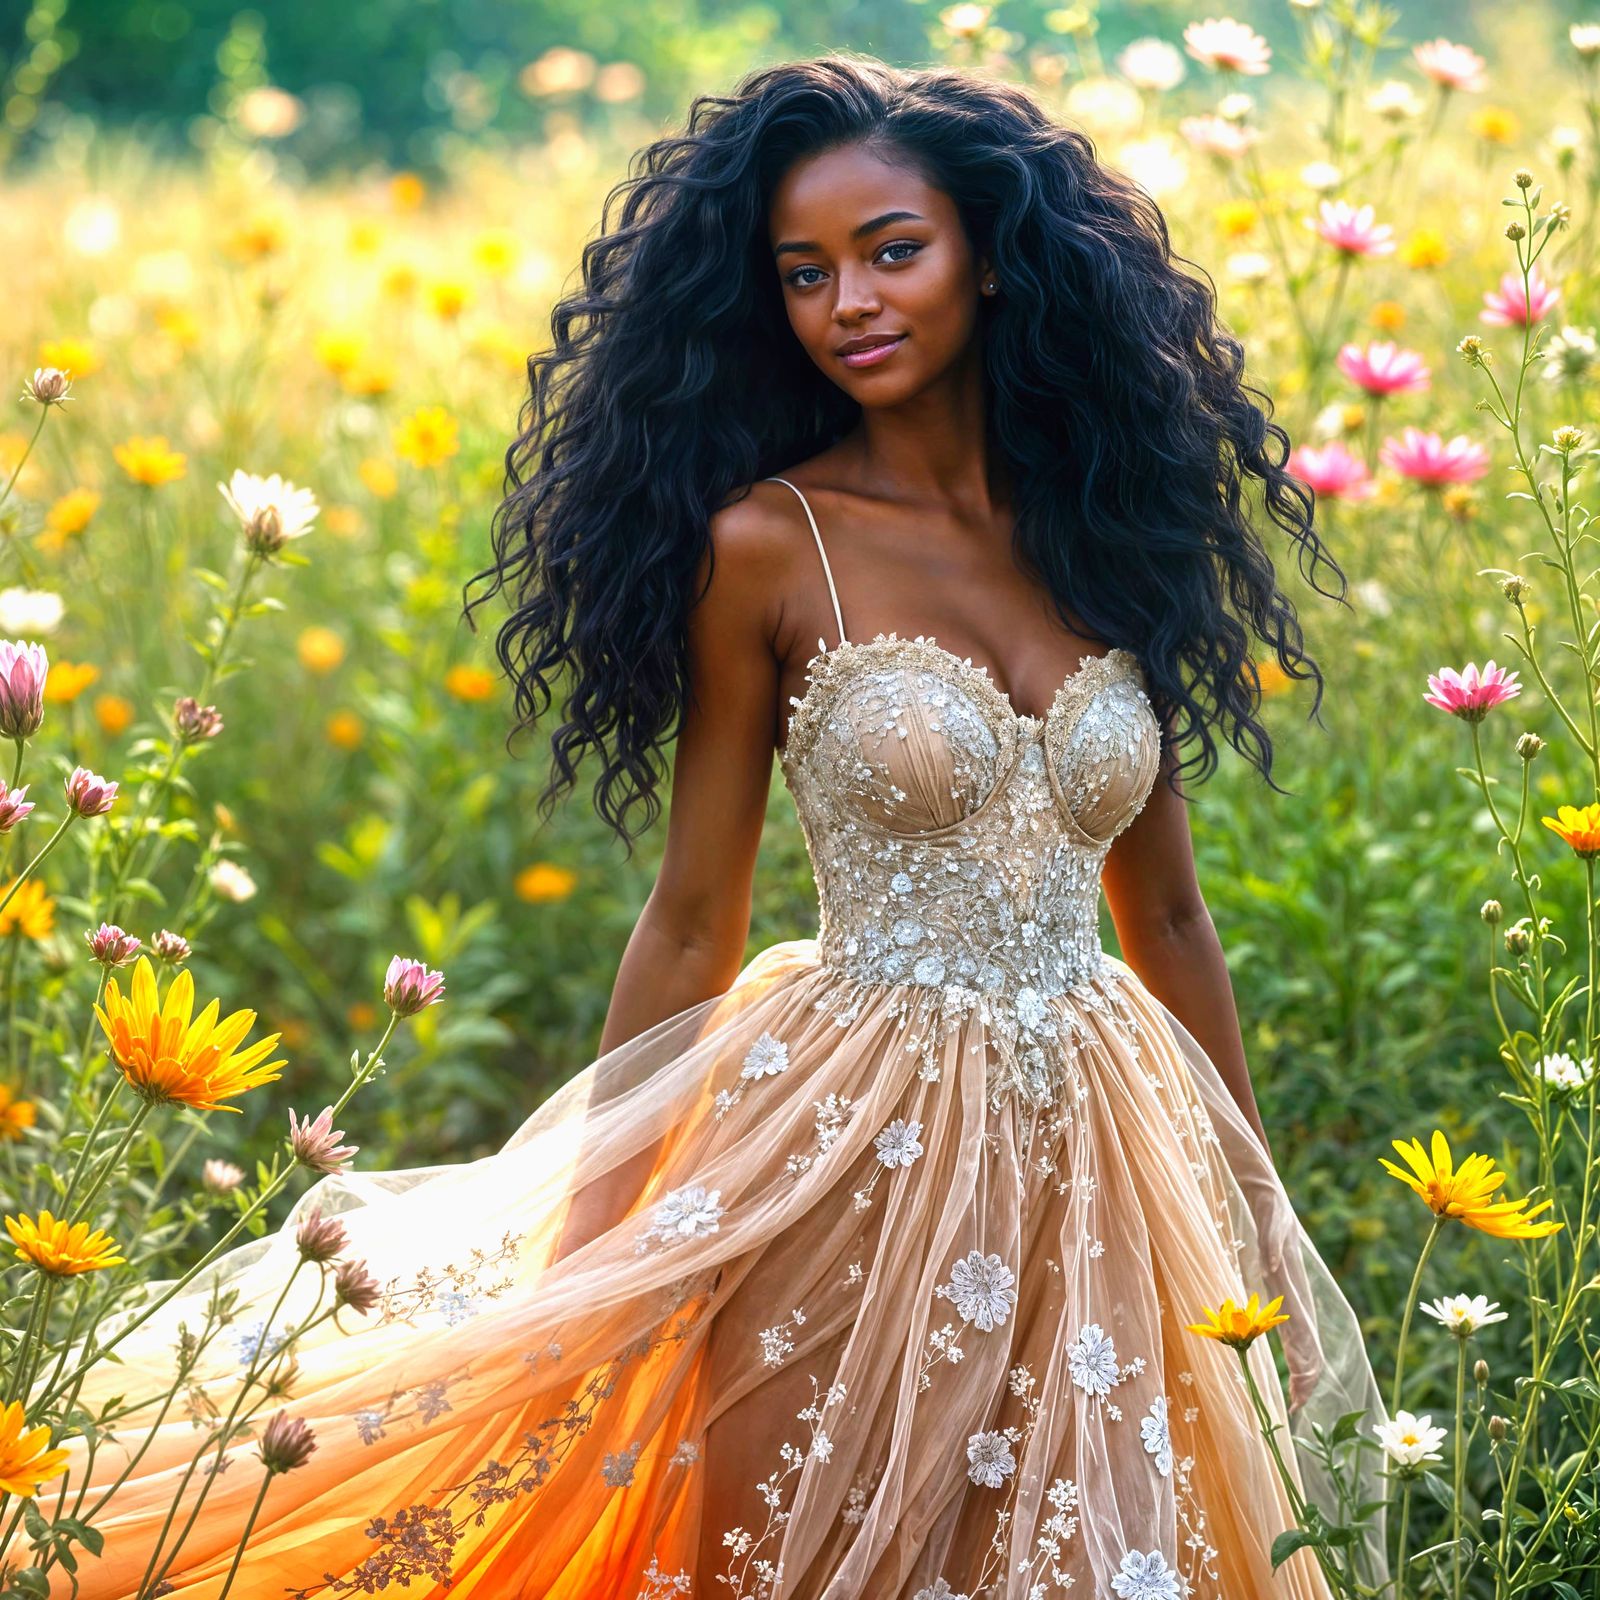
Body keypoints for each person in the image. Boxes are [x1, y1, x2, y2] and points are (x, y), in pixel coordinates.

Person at [59, 53, 1388, 1599]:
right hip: (842, 1132)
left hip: (1101, 1145)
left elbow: (1166, 922)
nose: (849, 303)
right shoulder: (767, 547)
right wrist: (584, 1265)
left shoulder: (1106, 537)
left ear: (997, 256)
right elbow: (695, 916)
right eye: (806, 274)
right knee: (793, 1549)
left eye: (894, 250)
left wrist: (1254, 1218)